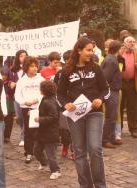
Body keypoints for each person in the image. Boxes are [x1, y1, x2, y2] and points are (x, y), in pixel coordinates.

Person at [57, 37, 109, 187]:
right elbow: (59, 94)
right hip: (75, 116)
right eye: (88, 50)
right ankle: (85, 185)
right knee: (79, 152)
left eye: (92, 50)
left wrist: (100, 99)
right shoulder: (66, 71)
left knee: (94, 149)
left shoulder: (96, 68)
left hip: (94, 113)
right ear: (79, 50)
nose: (91, 53)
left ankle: (100, 185)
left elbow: (106, 89)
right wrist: (66, 104)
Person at [15, 56, 44, 163]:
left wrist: (38, 99)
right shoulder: (21, 81)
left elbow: (44, 92)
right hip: (27, 108)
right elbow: (17, 96)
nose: (34, 68)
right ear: (26, 67)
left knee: (40, 130)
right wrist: (24, 102)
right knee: (29, 131)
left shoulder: (41, 79)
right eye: (32, 66)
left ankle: (40, 151)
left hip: (39, 107)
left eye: (36, 65)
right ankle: (29, 152)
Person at [34, 80, 61, 180]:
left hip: (51, 133)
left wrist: (40, 119)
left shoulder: (50, 102)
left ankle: (56, 171)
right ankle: (43, 163)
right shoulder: (46, 99)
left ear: (43, 90)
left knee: (51, 154)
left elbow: (53, 117)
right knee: (36, 150)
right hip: (42, 131)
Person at [121, 36, 137, 138]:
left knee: (133, 108)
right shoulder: (119, 53)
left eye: (133, 42)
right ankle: (119, 128)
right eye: (129, 42)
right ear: (125, 43)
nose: (132, 43)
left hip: (132, 83)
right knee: (120, 107)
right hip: (120, 83)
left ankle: (134, 129)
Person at [101, 40, 122, 148]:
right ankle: (105, 140)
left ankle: (112, 137)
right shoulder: (110, 60)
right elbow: (106, 78)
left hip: (114, 90)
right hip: (111, 91)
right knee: (110, 116)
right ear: (118, 49)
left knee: (113, 115)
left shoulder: (112, 58)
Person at [54, 50, 74, 160]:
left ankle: (74, 150)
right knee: (63, 129)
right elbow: (56, 88)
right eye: (67, 60)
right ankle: (65, 144)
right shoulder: (59, 73)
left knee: (75, 130)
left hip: (76, 104)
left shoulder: (78, 71)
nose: (68, 63)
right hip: (63, 105)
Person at [11, 50, 28, 147]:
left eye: (25, 55)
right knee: (20, 117)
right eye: (21, 56)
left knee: (26, 116)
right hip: (16, 96)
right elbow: (7, 81)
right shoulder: (13, 69)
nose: (24, 57)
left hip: (27, 96)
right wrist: (10, 83)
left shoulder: (29, 69)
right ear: (17, 57)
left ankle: (23, 137)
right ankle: (24, 131)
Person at [1, 67, 14, 143]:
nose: (3, 77)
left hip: (9, 103)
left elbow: (13, 92)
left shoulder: (9, 83)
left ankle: (7, 136)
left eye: (5, 75)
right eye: (2, 74)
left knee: (9, 120)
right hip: (0, 103)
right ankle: (1, 135)